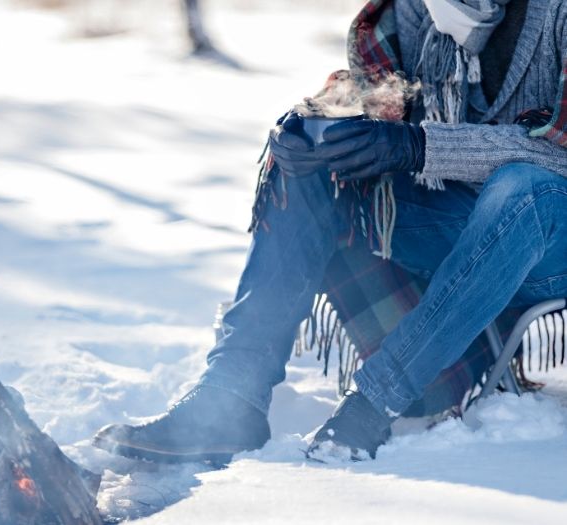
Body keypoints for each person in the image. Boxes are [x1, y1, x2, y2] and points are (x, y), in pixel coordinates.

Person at [93, 0, 567, 462]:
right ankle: (232, 395)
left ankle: (374, 401)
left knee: (521, 188)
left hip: (548, 238)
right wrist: (316, 123)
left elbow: (559, 151)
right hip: (458, 219)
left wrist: (420, 146)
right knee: (316, 163)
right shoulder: (417, 8)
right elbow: (377, 96)